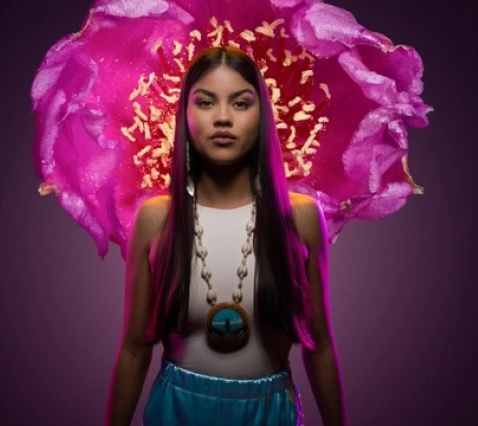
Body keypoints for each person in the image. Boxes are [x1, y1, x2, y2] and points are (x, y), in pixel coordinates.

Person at [105, 46, 346, 426]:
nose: (222, 118)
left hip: (269, 412)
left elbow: (319, 347)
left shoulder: (300, 217)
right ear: (184, 115)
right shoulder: (155, 218)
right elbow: (134, 348)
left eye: (240, 103)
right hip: (177, 411)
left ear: (262, 116)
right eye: (205, 102)